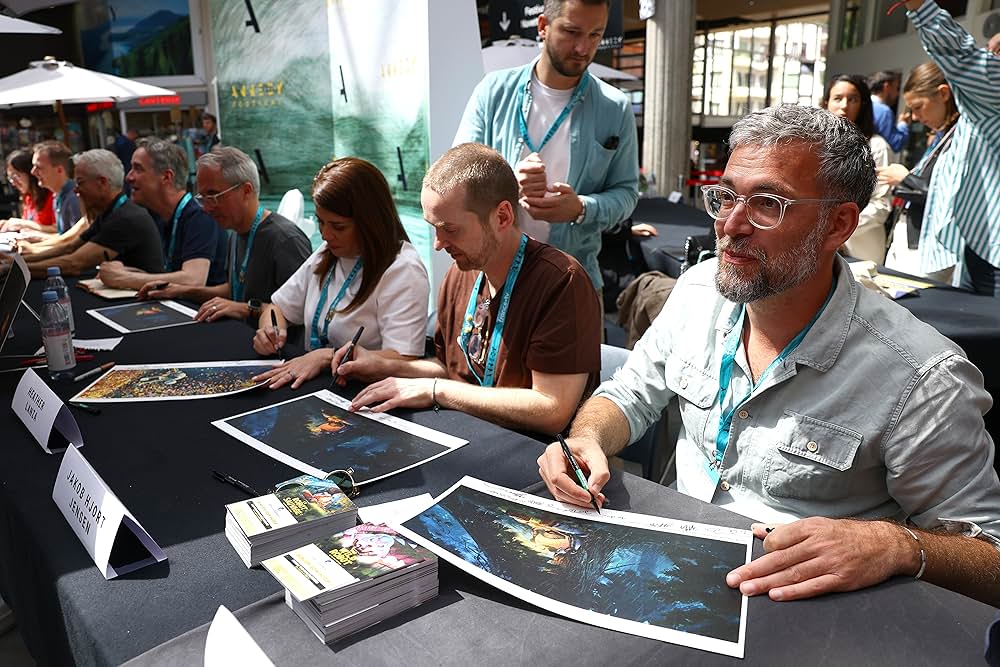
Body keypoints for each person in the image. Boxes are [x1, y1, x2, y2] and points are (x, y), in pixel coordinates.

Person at [537, 104, 1000, 607]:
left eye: (768, 204)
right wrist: (587, 438)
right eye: (726, 196)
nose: (731, 225)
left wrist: (898, 545)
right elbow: (629, 394)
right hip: (662, 571)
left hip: (798, 615)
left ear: (838, 224)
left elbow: (990, 556)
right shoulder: (696, 291)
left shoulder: (921, 377)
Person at [336, 143, 602, 436]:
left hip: (539, 457)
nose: (438, 243)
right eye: (433, 227)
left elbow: (551, 409)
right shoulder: (460, 272)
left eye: (450, 229)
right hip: (469, 437)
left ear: (502, 216)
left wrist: (437, 390)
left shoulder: (561, 282)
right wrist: (382, 365)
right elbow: (448, 369)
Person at [453, 0, 639, 292]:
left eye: (595, 35)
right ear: (543, 26)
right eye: (572, 32)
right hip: (490, 274)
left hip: (572, 279)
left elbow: (627, 194)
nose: (583, 48)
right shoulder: (493, 91)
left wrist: (580, 208)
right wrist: (508, 182)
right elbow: (455, 174)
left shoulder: (615, 107)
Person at [251, 157, 430, 390]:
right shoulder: (328, 253)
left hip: (365, 395)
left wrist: (327, 357)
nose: (325, 234)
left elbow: (404, 361)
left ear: (370, 222)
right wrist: (270, 331)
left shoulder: (402, 270)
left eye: (338, 227)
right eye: (321, 222)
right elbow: (276, 308)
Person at [894, 0, 1000, 295]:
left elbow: (963, 57)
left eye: (994, 60)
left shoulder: (989, 100)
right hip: (975, 251)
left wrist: (920, 6)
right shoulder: (970, 122)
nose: (990, 61)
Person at [141, 146, 312, 321]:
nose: (206, 208)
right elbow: (235, 289)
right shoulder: (236, 232)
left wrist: (244, 309)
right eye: (203, 198)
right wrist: (180, 290)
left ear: (246, 190)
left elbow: (303, 309)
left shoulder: (285, 239)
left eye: (214, 196)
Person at [97, 138, 228, 291]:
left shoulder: (200, 216)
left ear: (166, 177)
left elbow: (194, 279)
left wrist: (123, 278)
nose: (129, 177)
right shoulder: (160, 216)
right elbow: (170, 273)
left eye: (138, 169)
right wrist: (125, 271)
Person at [23, 149, 163, 278]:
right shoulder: (110, 211)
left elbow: (73, 263)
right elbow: (70, 247)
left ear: (102, 182)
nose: (76, 191)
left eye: (80, 183)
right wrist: (19, 261)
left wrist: (16, 268)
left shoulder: (126, 218)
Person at [877, 62, 960, 279]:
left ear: (943, 94)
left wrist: (905, 179)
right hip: (911, 236)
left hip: (929, 245)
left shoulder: (962, 137)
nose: (914, 117)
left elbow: (950, 197)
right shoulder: (944, 134)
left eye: (918, 106)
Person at [821, 74, 892, 263]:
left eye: (852, 99)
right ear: (826, 102)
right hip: (818, 242)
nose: (844, 105)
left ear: (863, 105)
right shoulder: (815, 145)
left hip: (861, 245)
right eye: (838, 98)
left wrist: (837, 229)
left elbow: (881, 204)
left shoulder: (876, 146)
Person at [30, 141, 81, 234]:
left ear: (59, 170)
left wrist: (32, 247)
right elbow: (63, 236)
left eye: (39, 167)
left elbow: (75, 242)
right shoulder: (58, 195)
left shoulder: (74, 198)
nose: (33, 172)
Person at [0, 149, 56, 235]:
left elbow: (58, 230)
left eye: (16, 176)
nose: (13, 182)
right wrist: (9, 224)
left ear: (30, 173)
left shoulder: (52, 196)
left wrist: (22, 224)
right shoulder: (28, 197)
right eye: (10, 178)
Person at [867, 71, 910, 156]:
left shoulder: (863, 105)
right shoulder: (884, 111)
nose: (897, 94)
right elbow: (895, 144)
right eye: (896, 88)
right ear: (887, 87)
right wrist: (903, 124)